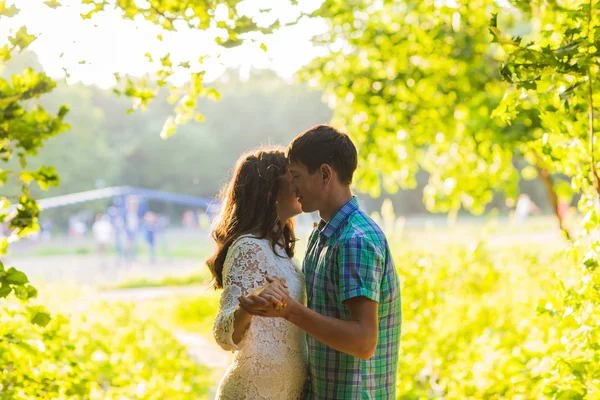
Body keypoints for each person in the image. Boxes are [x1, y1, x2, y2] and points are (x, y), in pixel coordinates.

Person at [238, 125, 402, 399]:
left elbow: (363, 342)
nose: (292, 186)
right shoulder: (321, 234)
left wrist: (289, 310)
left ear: (325, 174)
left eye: (297, 176)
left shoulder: (354, 240)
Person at [208, 148, 307, 399]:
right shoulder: (249, 247)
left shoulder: (280, 247)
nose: (298, 183)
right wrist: (249, 306)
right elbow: (222, 333)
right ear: (270, 190)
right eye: (291, 176)